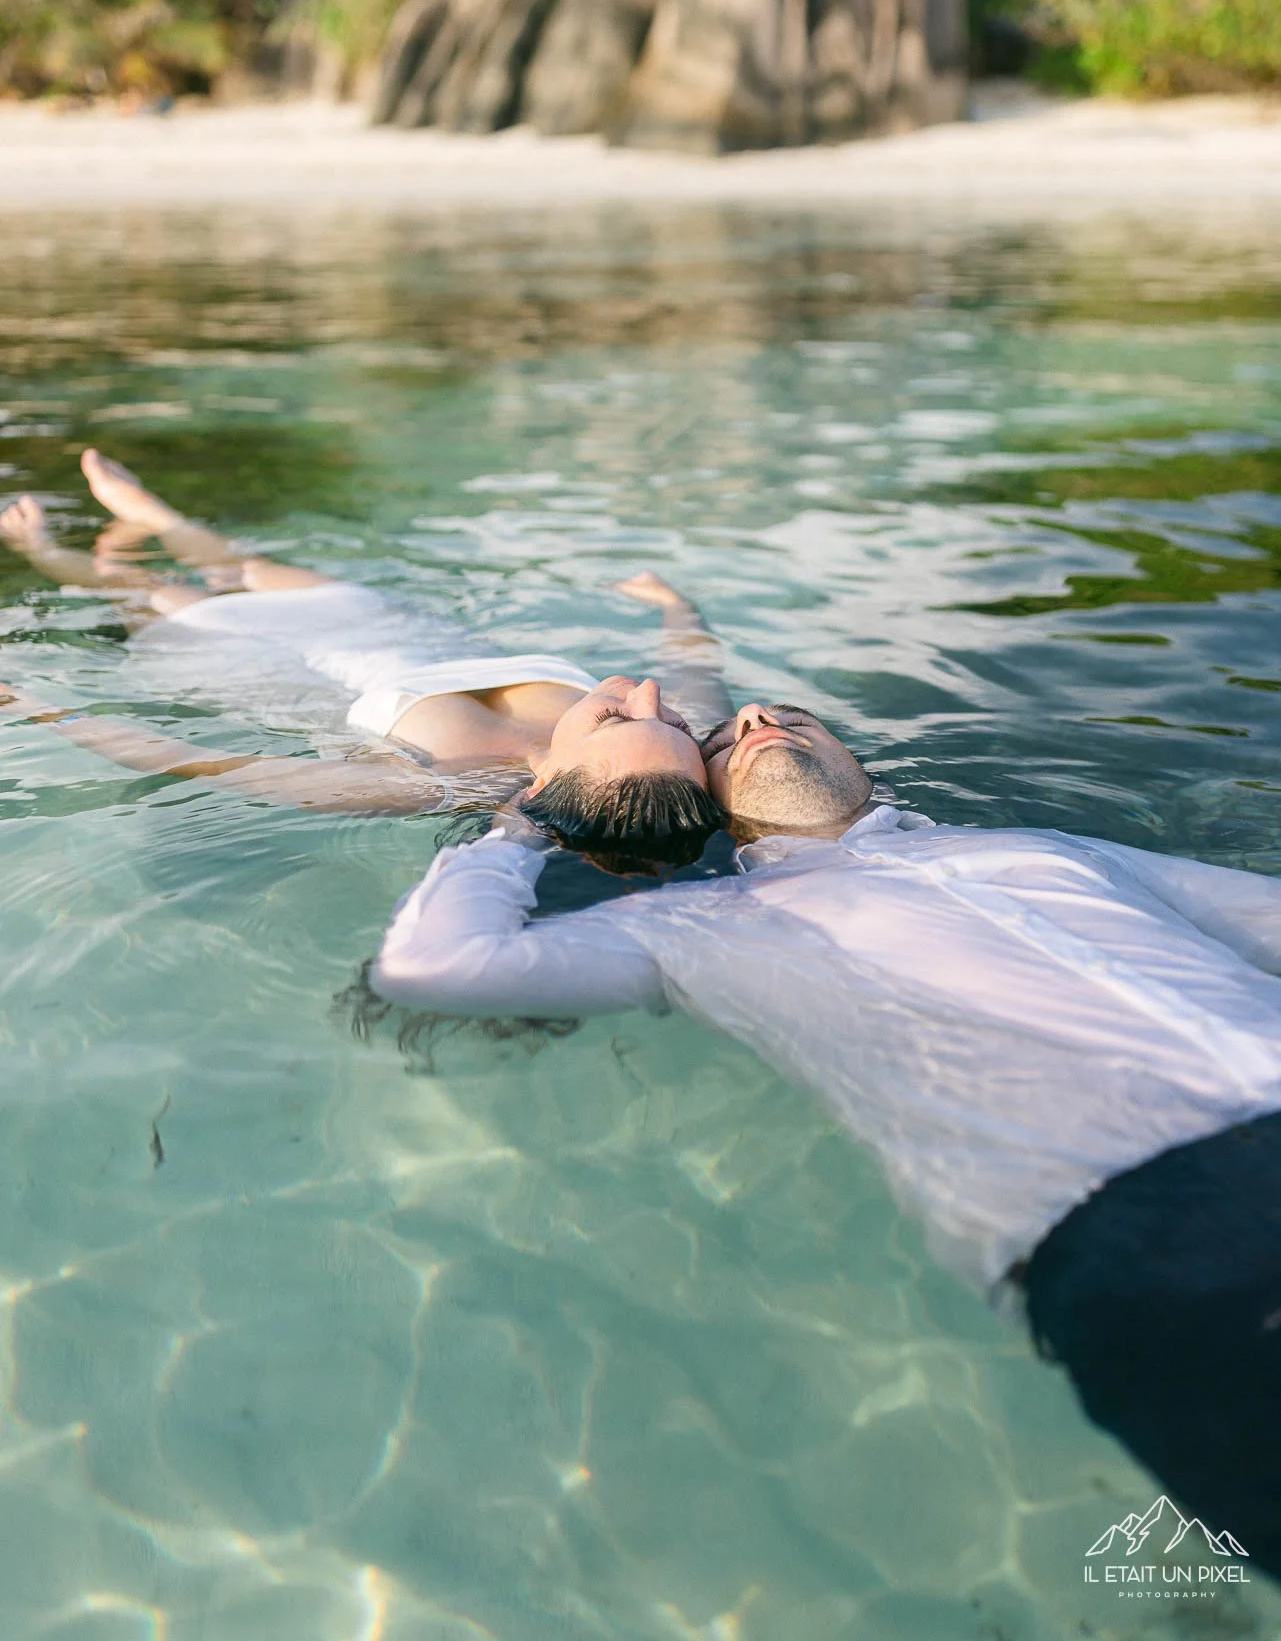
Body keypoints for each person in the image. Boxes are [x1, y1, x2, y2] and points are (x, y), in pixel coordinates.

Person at [366, 700, 1281, 1576]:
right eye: (724, 743)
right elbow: (433, 964)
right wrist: (532, 818)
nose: (760, 724)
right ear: (711, 811)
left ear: (864, 770)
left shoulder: (1052, 849)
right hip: (1142, 1220)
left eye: (789, 718)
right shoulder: (692, 928)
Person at [0, 452, 721, 860]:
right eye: (675, 726)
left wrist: (38, 709)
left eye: (620, 720)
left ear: (556, 778)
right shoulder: (662, 758)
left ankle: (45, 550)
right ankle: (152, 516)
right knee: (241, 565)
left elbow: (201, 762)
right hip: (382, 625)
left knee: (142, 585)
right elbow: (694, 669)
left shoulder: (439, 786)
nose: (650, 692)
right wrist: (672, 605)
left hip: (260, 669)